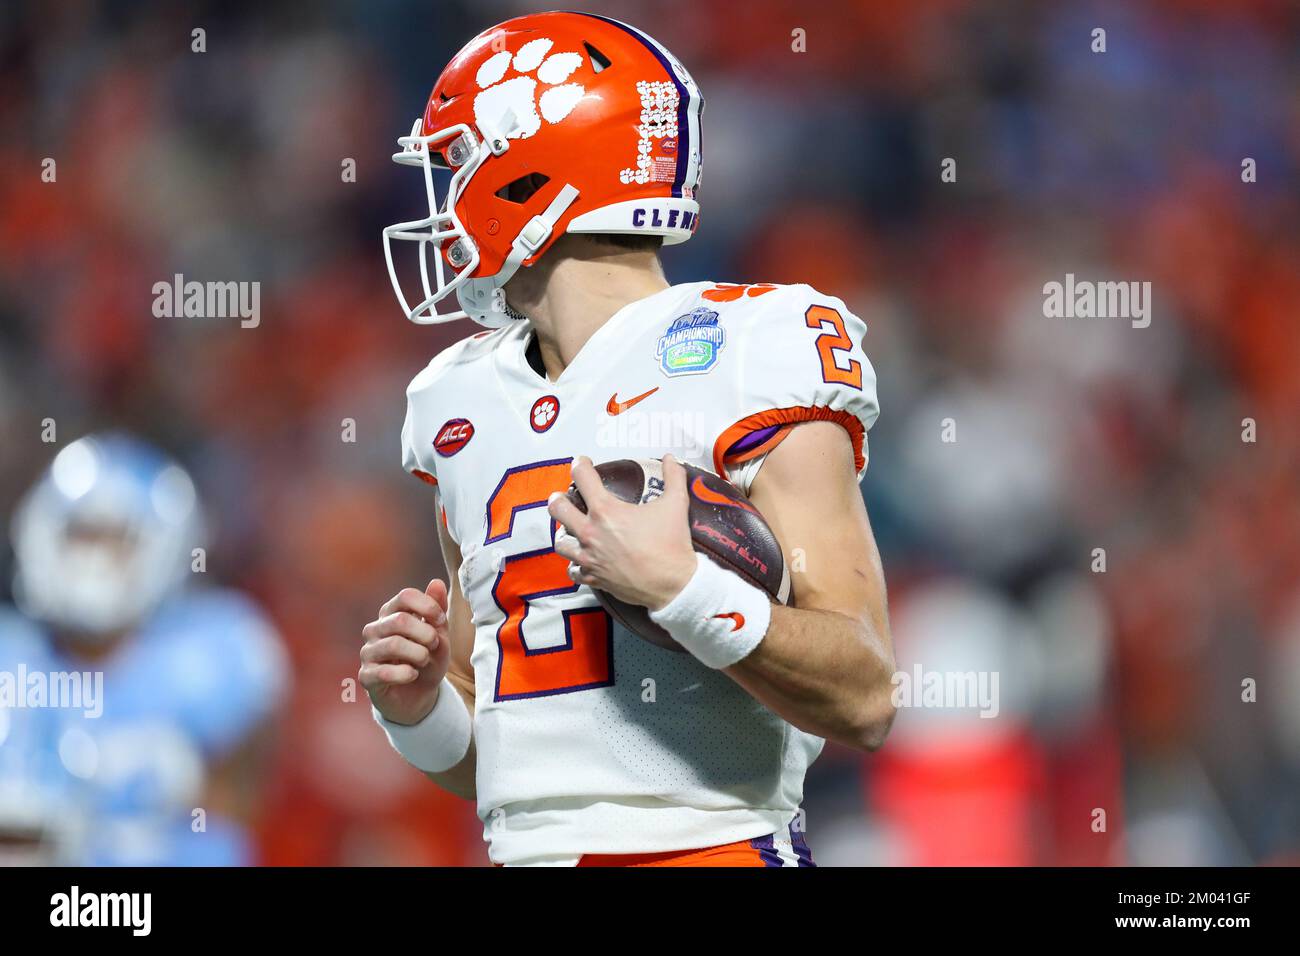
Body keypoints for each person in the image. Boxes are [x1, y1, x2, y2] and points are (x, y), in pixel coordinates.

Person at [364, 11, 895, 867]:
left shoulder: (755, 345)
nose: (442, 194)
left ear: (535, 165)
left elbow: (866, 695)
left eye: (459, 159)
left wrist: (684, 592)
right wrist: (421, 709)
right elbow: (503, 758)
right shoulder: (452, 400)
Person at [0, 433, 286, 865]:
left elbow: (239, 811)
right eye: (82, 537)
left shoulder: (213, 652)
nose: (93, 562)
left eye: (116, 541)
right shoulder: (12, 655)